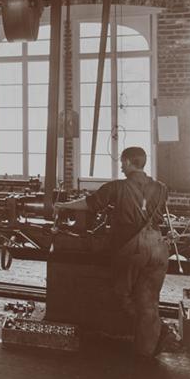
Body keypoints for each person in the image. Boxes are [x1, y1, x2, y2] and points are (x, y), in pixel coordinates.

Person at [54, 146, 170, 358]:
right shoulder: (162, 188)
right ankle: (147, 349)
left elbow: (90, 204)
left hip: (133, 249)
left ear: (128, 162)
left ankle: (156, 329)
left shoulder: (117, 187)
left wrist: (63, 205)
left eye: (122, 162)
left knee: (122, 293)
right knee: (149, 298)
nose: (121, 166)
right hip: (159, 247)